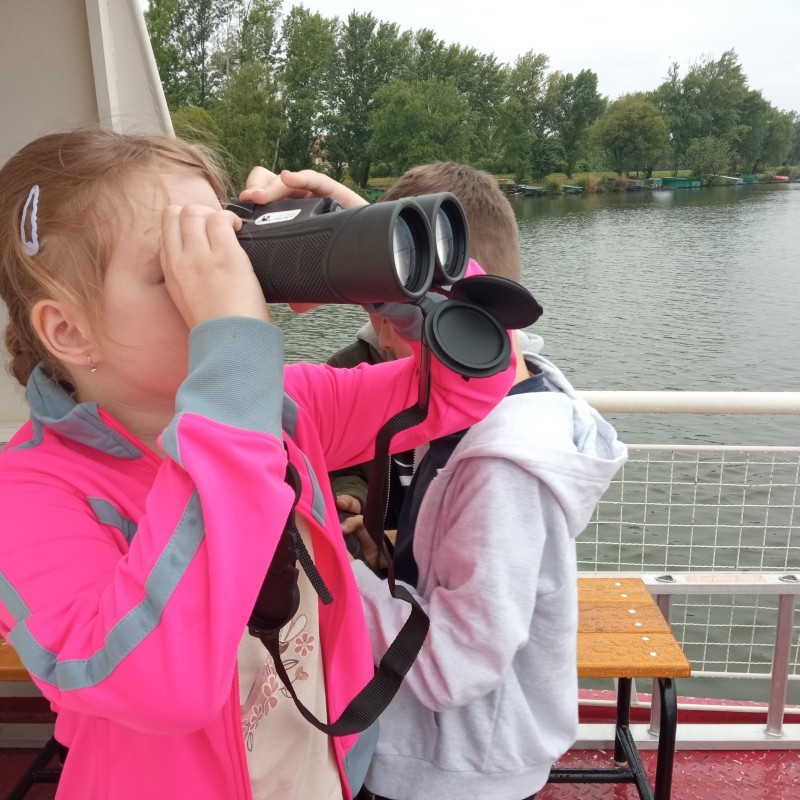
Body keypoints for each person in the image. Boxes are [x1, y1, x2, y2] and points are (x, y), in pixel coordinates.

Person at [0, 130, 517, 800]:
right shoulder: (28, 497)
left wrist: (391, 274)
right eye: (179, 265)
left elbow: (469, 383)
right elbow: (162, 687)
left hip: (322, 773)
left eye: (226, 245)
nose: (229, 282)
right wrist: (233, 358)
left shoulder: (284, 409)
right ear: (69, 331)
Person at [347, 195, 629, 799]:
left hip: (452, 770)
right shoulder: (505, 399)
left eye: (387, 317)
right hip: (456, 752)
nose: (380, 341)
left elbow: (453, 665)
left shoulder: (503, 468)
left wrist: (335, 579)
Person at [329, 161, 544, 532]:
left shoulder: (520, 437)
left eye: (394, 315)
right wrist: (359, 505)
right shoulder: (353, 369)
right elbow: (337, 459)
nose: (383, 337)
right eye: (380, 313)